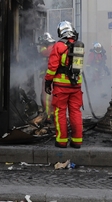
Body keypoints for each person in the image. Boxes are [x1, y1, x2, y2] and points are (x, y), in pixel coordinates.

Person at [44, 21, 83, 149]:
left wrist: (48, 81)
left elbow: (52, 67)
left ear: (61, 32)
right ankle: (77, 141)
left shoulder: (58, 46)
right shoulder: (78, 46)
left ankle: (61, 141)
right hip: (76, 86)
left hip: (61, 86)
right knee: (75, 112)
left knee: (60, 112)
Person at [37, 32, 55, 123]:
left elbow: (43, 52)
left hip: (48, 77)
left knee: (47, 97)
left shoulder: (49, 48)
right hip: (49, 76)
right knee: (49, 96)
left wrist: (41, 46)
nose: (41, 46)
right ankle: (51, 114)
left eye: (43, 43)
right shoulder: (53, 47)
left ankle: (48, 116)